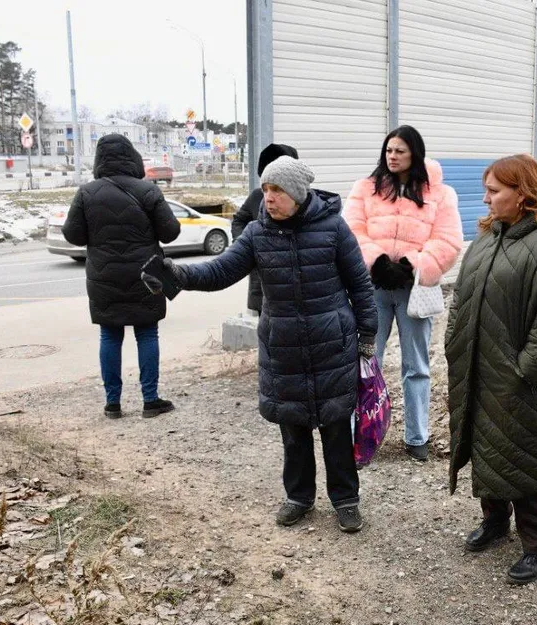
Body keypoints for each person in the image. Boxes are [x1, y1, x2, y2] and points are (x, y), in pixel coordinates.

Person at [142, 156, 378, 533]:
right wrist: (178, 275)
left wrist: (367, 335)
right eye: (265, 189)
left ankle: (346, 500)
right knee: (293, 428)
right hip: (282, 346)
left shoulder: (333, 228)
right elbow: (221, 270)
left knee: (335, 426)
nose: (268, 198)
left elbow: (360, 285)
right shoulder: (256, 233)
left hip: (331, 343)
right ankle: (298, 497)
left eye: (277, 190)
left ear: (298, 195)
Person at [445, 154, 537, 585]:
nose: (486, 198)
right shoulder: (489, 237)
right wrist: (456, 342)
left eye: (494, 191)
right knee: (487, 446)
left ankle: (536, 545)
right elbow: (462, 298)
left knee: (526, 457)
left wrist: (524, 369)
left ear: (522, 193)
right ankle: (494, 521)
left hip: (525, 380)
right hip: (480, 370)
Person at [343, 125, 463, 462]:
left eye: (400, 151)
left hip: (414, 290)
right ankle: (360, 432)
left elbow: (448, 239)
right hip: (373, 288)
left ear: (415, 154)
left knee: (417, 365)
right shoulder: (366, 188)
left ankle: (416, 437)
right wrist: (376, 260)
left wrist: (413, 264)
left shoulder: (439, 193)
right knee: (366, 360)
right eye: (388, 150)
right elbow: (352, 228)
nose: (392, 157)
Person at [62, 133, 181, 420]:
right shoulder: (148, 191)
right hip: (145, 276)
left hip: (103, 277)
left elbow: (73, 235)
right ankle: (150, 401)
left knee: (110, 335)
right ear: (133, 158)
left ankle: (112, 403)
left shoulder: (86, 193)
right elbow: (171, 232)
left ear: (99, 160)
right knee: (147, 333)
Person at [231, 143, 299, 315]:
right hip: (263, 283)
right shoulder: (256, 197)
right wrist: (245, 245)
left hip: (295, 285)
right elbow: (238, 221)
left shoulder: (300, 200)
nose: (270, 197)